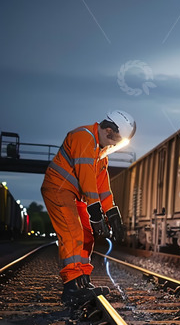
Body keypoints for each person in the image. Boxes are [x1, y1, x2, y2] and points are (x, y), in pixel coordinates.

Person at [41, 110, 134, 304]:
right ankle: (72, 286)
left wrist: (112, 215)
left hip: (74, 194)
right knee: (73, 233)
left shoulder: (101, 153)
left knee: (87, 235)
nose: (115, 145)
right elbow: (86, 180)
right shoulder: (83, 137)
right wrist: (95, 213)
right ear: (108, 131)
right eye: (115, 140)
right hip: (58, 189)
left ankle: (82, 280)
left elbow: (103, 188)